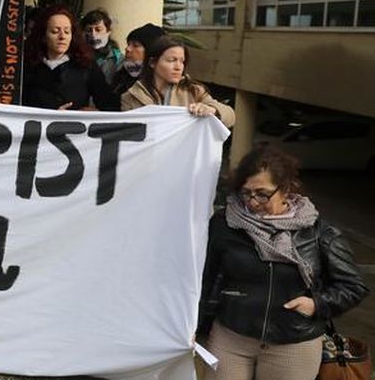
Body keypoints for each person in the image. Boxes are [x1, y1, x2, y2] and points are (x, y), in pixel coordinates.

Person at [198, 146, 369, 380]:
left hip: (294, 344)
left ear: (286, 189)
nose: (253, 202)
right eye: (246, 193)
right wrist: (194, 324)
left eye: (262, 193)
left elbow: (353, 287)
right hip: (231, 338)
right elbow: (203, 278)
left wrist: (316, 304)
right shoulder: (225, 224)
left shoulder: (318, 232)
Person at [121, 36, 235, 128]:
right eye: (172, 60)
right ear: (152, 63)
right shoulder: (131, 97)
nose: (178, 67)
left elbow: (230, 116)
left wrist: (212, 110)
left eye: (182, 61)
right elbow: (128, 135)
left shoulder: (193, 90)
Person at [22, 5, 119, 111]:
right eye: (55, 31)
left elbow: (109, 105)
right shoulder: (27, 66)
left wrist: (95, 113)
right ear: (43, 36)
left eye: (67, 31)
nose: (62, 36)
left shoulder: (86, 66)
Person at [110, 22, 166, 96]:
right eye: (128, 44)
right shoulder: (120, 78)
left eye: (135, 45)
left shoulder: (163, 83)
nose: (127, 49)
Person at [80, 8, 124, 85]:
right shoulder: (77, 56)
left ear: (108, 32)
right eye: (89, 30)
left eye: (98, 29)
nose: (93, 35)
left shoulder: (118, 60)